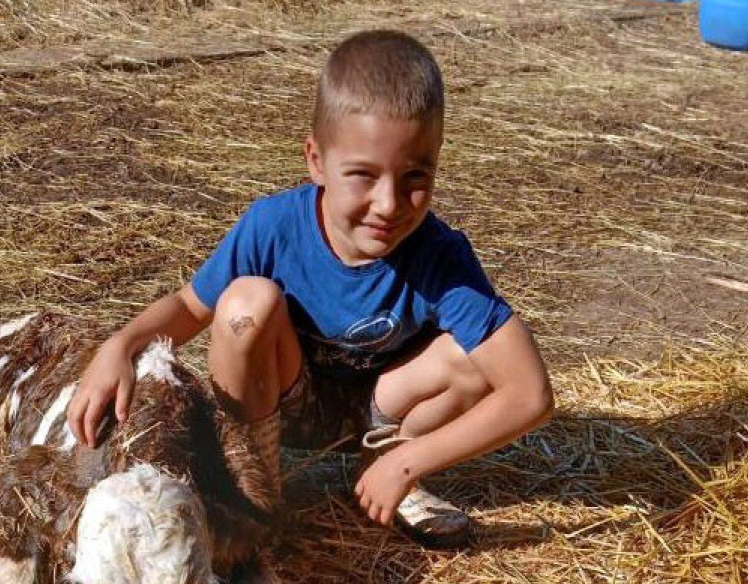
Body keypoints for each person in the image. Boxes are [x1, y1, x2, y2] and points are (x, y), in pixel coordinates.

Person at [65, 29, 553, 548]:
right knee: (245, 303)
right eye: (363, 175)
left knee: (474, 357)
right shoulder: (273, 226)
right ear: (316, 161)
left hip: (383, 411)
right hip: (285, 401)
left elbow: (530, 394)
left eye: (415, 175)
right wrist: (119, 345)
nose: (389, 204)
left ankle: (382, 470)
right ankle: (253, 485)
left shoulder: (440, 255)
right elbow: (189, 306)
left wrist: (409, 461)